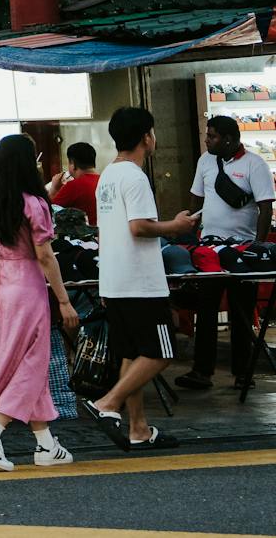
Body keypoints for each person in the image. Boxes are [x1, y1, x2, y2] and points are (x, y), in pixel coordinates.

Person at [0, 135, 80, 471]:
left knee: (23, 361)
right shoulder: (35, 204)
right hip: (29, 287)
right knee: (31, 363)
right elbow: (45, 255)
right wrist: (64, 299)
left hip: (3, 289)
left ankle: (46, 445)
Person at [83, 107, 198, 450]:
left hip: (115, 279)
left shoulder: (108, 175)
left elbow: (110, 230)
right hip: (140, 282)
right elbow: (140, 227)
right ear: (146, 137)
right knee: (162, 352)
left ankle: (139, 429)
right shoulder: (135, 177)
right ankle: (107, 403)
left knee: (132, 355)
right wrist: (175, 227)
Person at [178, 115, 274, 391]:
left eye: (212, 136)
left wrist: (258, 245)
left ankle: (243, 373)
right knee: (206, 308)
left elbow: (265, 207)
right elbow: (197, 197)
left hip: (242, 249)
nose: (207, 140)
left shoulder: (254, 164)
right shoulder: (205, 162)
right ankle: (201, 371)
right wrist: (190, 231)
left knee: (241, 311)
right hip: (209, 247)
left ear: (229, 139)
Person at [50, 142, 100, 225]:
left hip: (84, 236)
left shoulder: (73, 186)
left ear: (73, 164)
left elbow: (49, 213)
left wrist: (54, 189)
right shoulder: (103, 180)